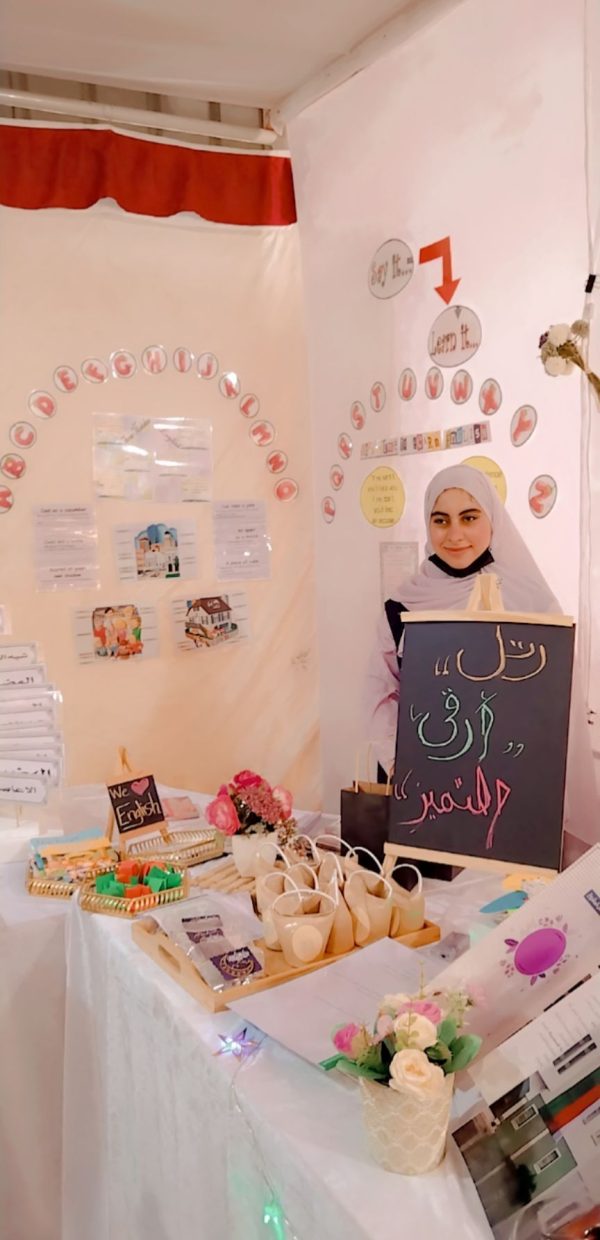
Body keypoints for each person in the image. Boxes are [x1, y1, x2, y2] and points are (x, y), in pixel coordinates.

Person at [365, 463, 597, 864]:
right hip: (427, 791)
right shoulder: (402, 605)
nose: (455, 534)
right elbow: (380, 692)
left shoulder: (531, 602)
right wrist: (402, 764)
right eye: (441, 520)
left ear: (492, 519)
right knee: (431, 891)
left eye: (469, 517)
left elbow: (557, 701)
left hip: (513, 790)